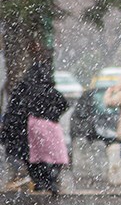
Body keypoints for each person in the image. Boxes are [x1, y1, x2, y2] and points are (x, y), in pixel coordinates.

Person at [0, 58, 69, 194]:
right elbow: (63, 103)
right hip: (49, 126)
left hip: (29, 129)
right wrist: (52, 115)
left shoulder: (24, 88)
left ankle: (41, 181)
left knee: (34, 158)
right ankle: (48, 180)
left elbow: (15, 109)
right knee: (54, 156)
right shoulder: (49, 90)